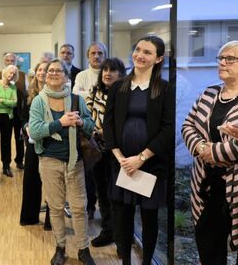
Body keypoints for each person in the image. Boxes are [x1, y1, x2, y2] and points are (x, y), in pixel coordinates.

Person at [103, 36, 173, 265]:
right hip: (122, 164)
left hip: (151, 164)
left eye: (148, 52)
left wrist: (141, 158)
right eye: (138, 50)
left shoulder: (164, 89)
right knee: (123, 216)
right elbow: (108, 125)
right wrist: (121, 158)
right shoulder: (117, 88)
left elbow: (168, 128)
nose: (140, 55)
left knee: (149, 217)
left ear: (159, 58)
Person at [182, 40, 238, 265]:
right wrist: (200, 148)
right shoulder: (208, 93)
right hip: (207, 185)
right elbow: (187, 126)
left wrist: (214, 152)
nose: (222, 63)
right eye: (221, 58)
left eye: (230, 59)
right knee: (208, 250)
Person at [29, 59, 96, 265]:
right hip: (49, 161)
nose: (54, 73)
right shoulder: (39, 101)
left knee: (78, 208)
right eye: (50, 70)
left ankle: (83, 249)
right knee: (56, 207)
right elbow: (35, 130)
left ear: (67, 76)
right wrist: (61, 123)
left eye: (59, 70)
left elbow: (90, 126)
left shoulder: (77, 100)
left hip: (74, 162)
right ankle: (60, 247)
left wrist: (82, 122)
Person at [85, 58, 126, 256]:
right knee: (102, 193)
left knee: (118, 197)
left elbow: (126, 124)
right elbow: (86, 117)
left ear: (121, 73)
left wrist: (105, 133)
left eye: (113, 70)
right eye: (105, 70)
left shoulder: (126, 95)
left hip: (119, 153)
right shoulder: (95, 92)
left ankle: (121, 240)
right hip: (97, 150)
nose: (107, 73)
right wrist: (93, 130)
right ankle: (108, 231)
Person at [74, 42, 107, 220]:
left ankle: (104, 211)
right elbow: (76, 95)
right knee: (88, 174)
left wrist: (86, 93)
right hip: (87, 131)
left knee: (103, 177)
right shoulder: (81, 75)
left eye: (100, 53)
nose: (96, 56)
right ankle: (89, 207)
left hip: (106, 134)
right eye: (93, 53)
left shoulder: (108, 74)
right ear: (88, 56)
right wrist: (94, 94)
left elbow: (85, 95)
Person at [19, 61, 49, 226]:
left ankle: (51, 220)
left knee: (52, 182)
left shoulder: (55, 92)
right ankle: (29, 217)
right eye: (40, 69)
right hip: (33, 140)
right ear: (35, 72)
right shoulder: (28, 94)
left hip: (51, 141)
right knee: (31, 178)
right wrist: (26, 128)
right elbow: (23, 118)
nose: (42, 72)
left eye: (46, 70)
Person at [0, 53, 26, 169]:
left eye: (13, 60)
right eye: (8, 60)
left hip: (19, 112)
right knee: (5, 139)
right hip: (3, 113)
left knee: (19, 137)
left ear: (16, 62)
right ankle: (5, 163)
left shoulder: (22, 75)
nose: (10, 62)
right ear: (4, 61)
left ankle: (19, 160)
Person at [0, 65, 18, 179]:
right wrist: (7, 101)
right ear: (4, 72)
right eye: (10, 73)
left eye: (13, 74)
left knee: (6, 144)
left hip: (7, 117)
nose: (11, 75)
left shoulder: (13, 87)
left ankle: (6, 167)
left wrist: (1, 100)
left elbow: (14, 103)